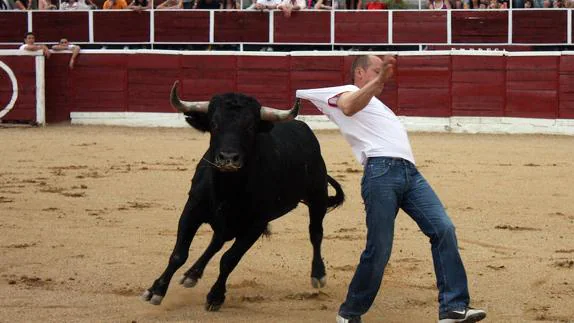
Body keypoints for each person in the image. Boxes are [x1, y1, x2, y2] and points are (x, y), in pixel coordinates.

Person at [295, 55, 487, 323]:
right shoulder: (347, 91)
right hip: (380, 173)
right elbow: (349, 107)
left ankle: (453, 307)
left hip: (410, 173)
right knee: (380, 247)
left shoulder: (377, 104)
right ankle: (349, 313)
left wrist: (378, 82)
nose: (383, 74)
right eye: (376, 69)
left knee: (444, 229)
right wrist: (379, 80)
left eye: (384, 71)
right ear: (360, 72)